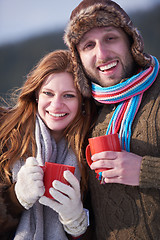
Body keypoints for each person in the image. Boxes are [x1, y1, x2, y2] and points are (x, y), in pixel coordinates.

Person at [64, 0, 160, 239]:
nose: (102, 54)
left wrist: (145, 170)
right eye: (88, 45)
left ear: (131, 41)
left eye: (110, 38)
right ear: (78, 59)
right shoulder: (83, 115)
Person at [0, 49, 95, 240]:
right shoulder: (5, 132)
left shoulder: (89, 149)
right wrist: (16, 197)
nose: (56, 105)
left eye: (68, 95)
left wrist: (76, 221)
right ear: (36, 94)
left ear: (82, 102)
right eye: (48, 93)